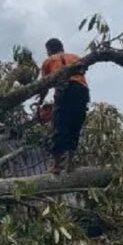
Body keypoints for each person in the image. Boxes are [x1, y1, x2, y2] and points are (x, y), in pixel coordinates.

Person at [37, 38, 89, 174]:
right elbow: (82, 72)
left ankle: (57, 165)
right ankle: (70, 162)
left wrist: (40, 101)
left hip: (64, 90)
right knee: (75, 125)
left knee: (59, 125)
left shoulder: (48, 61)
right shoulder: (76, 57)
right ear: (62, 47)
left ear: (48, 50)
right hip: (82, 91)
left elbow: (44, 85)